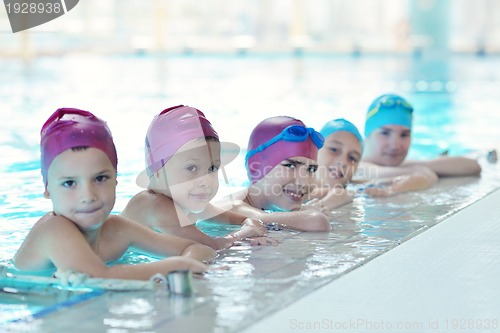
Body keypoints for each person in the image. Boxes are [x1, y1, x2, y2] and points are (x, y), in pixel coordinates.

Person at [13, 108, 216, 281]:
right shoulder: (54, 230)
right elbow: (97, 277)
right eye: (69, 183)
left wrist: (185, 262)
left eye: (100, 179)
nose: (88, 195)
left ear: (116, 180)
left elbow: (198, 248)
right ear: (48, 189)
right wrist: (175, 266)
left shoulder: (116, 229)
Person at [121, 105, 269, 251]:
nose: (206, 181)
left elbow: (236, 219)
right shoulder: (154, 205)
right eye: (191, 168)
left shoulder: (187, 202)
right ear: (158, 169)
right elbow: (212, 247)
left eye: (212, 168)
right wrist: (245, 232)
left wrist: (249, 222)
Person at [218, 116, 330, 232]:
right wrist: (307, 212)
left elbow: (341, 193)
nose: (303, 182)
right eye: (290, 166)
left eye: (311, 169)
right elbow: (317, 221)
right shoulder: (230, 207)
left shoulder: (272, 205)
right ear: (255, 167)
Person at [309, 118, 438, 206]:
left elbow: (426, 176)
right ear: (315, 150)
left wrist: (392, 190)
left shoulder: (359, 187)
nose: (343, 162)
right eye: (334, 149)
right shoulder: (294, 183)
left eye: (352, 158)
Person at [356, 93, 481, 182]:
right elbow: (372, 174)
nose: (395, 145)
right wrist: (420, 170)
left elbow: (472, 166)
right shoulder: (351, 166)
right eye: (385, 133)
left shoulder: (404, 164)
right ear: (367, 135)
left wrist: (421, 167)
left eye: (404, 135)